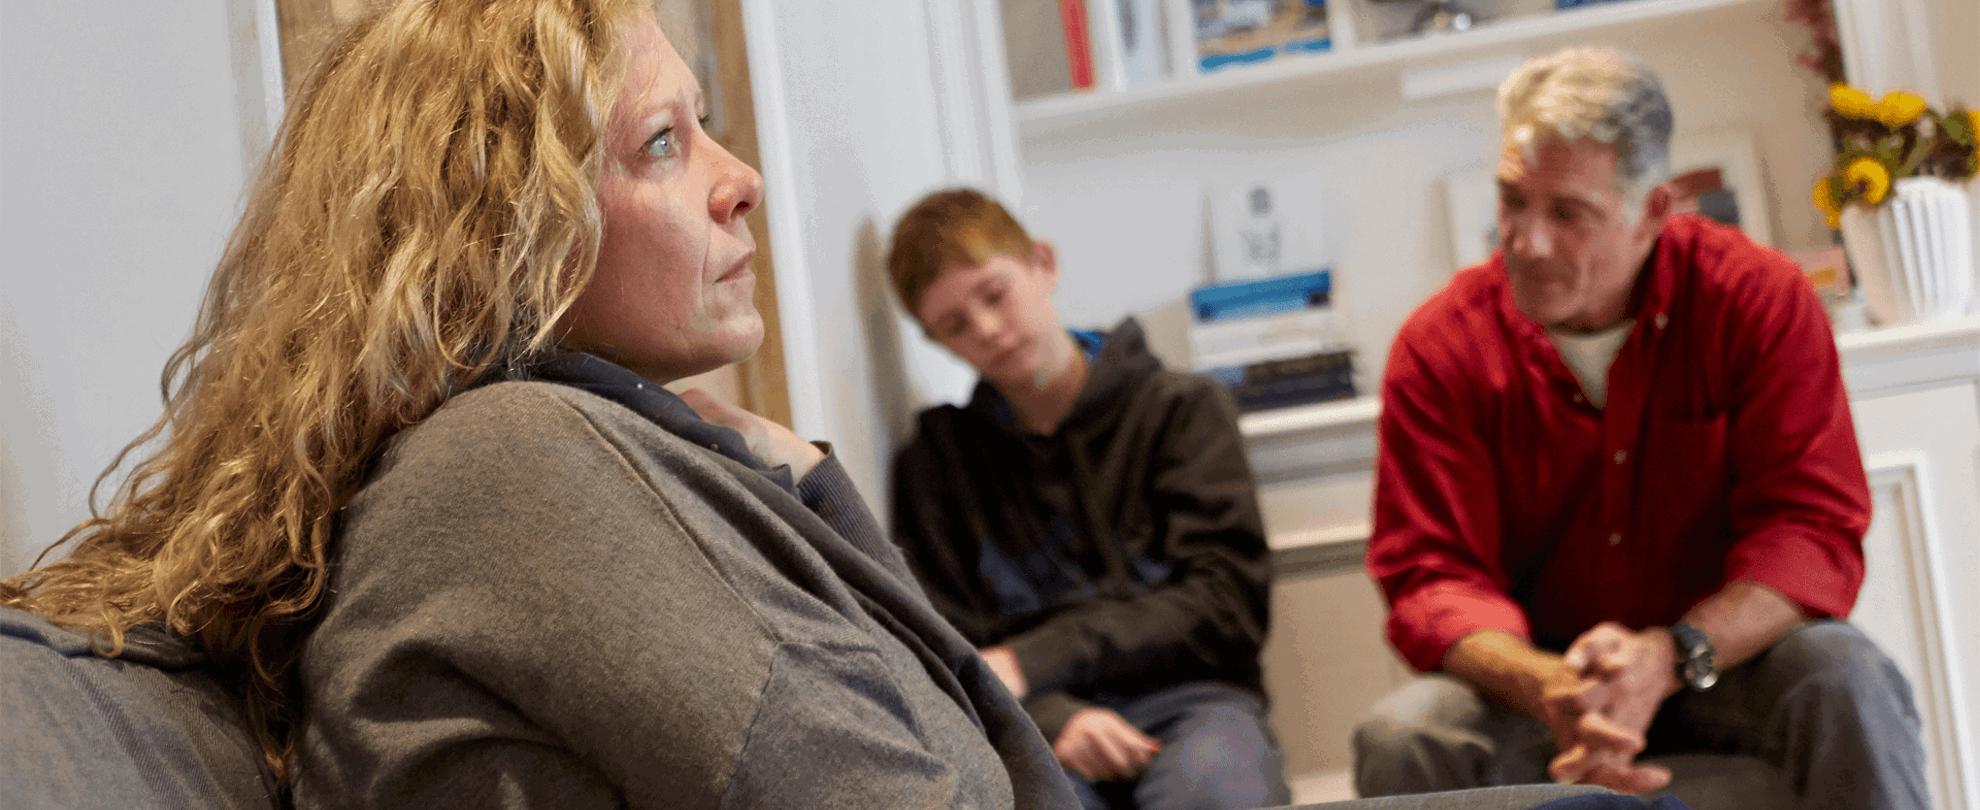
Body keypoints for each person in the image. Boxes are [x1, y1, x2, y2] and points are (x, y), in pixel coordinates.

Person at [0, 2, 1079, 807]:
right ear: (513, 229)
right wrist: (803, 484)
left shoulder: (545, 458)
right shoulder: (516, 464)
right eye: (664, 142)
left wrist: (787, 468)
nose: (741, 175)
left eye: (707, 128)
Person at [1353, 46, 1928, 809]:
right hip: (1539, 684)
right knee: (1404, 735)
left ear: (1654, 210)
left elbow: (1809, 528)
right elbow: (1431, 575)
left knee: (1846, 675)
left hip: (1723, 663)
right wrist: (1552, 683)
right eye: (1511, 201)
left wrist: (1670, 656)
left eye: (1567, 213)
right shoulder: (1440, 347)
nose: (1525, 241)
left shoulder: (1757, 300)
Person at [884, 188, 1291, 810]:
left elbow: (1228, 606)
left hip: (1198, 704)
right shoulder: (934, 462)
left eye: (994, 294)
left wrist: (1036, 657)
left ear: (1042, 263)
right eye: (955, 326)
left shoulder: (1181, 411)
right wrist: (1052, 719)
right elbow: (947, 647)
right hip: (1026, 725)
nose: (988, 330)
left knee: (1216, 792)